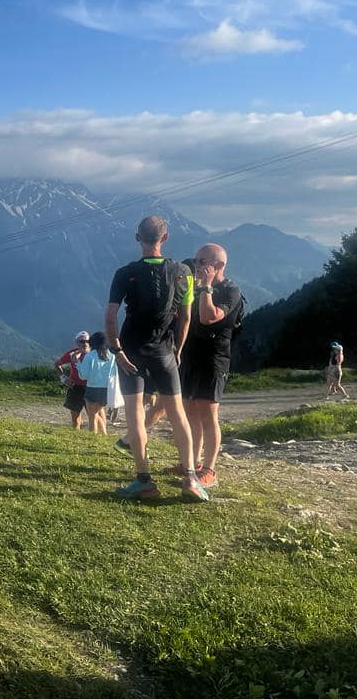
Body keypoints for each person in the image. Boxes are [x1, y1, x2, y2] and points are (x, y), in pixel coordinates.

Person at [105, 215, 208, 502]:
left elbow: (111, 316)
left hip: (131, 351)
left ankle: (144, 481)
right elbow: (186, 317)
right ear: (166, 238)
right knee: (177, 414)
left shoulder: (124, 273)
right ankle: (190, 478)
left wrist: (117, 350)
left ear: (137, 238)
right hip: (165, 350)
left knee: (136, 416)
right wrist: (178, 349)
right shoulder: (184, 272)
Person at [175, 244, 243, 489]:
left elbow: (208, 316)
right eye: (197, 260)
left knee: (208, 413)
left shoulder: (230, 291)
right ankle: (190, 464)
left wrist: (206, 287)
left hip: (214, 358)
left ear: (219, 266)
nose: (197, 265)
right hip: (191, 355)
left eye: (203, 261)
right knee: (190, 410)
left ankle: (210, 469)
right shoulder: (194, 283)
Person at [77, 331, 116, 434]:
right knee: (97, 413)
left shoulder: (89, 356)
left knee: (92, 416)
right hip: (107, 389)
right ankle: (103, 434)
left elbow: (83, 376)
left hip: (92, 388)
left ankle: (93, 436)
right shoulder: (112, 356)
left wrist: (78, 363)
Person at [55, 331, 90, 429]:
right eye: (82, 341)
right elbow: (57, 364)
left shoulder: (94, 353)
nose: (85, 343)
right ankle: (76, 436)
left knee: (94, 417)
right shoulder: (72, 353)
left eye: (88, 340)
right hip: (75, 387)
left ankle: (96, 438)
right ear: (77, 343)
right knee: (75, 418)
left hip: (91, 387)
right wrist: (64, 379)